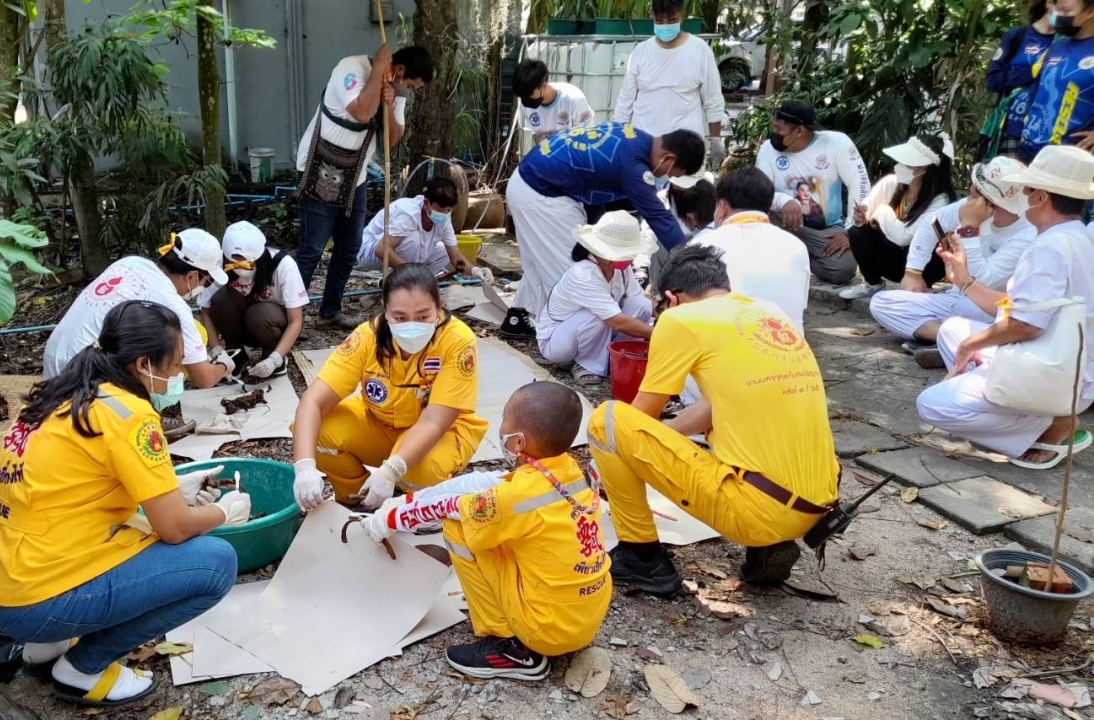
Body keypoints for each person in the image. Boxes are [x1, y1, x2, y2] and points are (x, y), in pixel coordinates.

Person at [0, 301, 250, 707]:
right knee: (216, 563)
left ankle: (45, 647)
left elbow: (72, 488)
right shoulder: (130, 415)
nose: (179, 376)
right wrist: (224, 512)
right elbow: (174, 529)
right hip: (32, 601)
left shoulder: (57, 394)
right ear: (144, 363)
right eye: (175, 366)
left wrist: (172, 489)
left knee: (131, 530)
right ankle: (84, 668)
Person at [588, 244, 840, 596]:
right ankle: (768, 541)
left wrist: (608, 460)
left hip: (759, 510)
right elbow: (715, 404)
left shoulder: (680, 319)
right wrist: (660, 439)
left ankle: (641, 556)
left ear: (672, 298)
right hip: (819, 505)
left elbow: (635, 417)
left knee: (606, 419)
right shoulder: (767, 313)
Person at [354, 381, 609, 680]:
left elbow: (451, 507)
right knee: (495, 528)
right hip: (585, 618)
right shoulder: (565, 471)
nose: (501, 427)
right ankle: (520, 631)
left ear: (518, 442)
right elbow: (480, 484)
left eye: (504, 419)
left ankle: (508, 647)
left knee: (460, 526)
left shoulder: (514, 497)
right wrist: (407, 500)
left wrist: (387, 520)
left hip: (547, 630)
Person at [917, 145, 1094, 470]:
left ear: (1040, 197)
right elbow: (1016, 308)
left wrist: (972, 345)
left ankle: (1049, 426)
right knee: (952, 330)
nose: (1021, 197)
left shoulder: (1049, 246)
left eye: (1027, 190)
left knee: (932, 405)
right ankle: (1009, 408)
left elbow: (1027, 324)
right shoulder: (1076, 236)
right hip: (1065, 365)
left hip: (1056, 375)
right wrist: (965, 281)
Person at [291, 264, 489, 511]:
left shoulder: (457, 340)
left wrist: (391, 470)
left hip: (442, 434)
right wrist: (304, 467)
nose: (411, 325)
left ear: (440, 307)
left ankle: (415, 507)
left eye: (423, 316)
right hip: (380, 424)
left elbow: (435, 421)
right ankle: (357, 499)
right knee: (317, 430)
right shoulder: (367, 337)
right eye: (400, 317)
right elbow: (313, 401)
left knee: (423, 470)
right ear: (385, 311)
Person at [499, 123, 705, 340]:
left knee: (541, 261)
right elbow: (659, 218)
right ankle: (569, 345)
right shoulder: (635, 168)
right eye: (671, 173)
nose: (665, 178)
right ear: (668, 159)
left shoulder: (633, 135)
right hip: (543, 193)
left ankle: (517, 317)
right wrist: (693, 263)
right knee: (572, 272)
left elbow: (594, 184)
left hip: (528, 182)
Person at [43, 230, 237, 436]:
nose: (203, 287)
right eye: (206, 281)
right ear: (192, 276)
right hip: (88, 388)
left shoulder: (131, 263)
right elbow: (204, 379)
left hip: (56, 369)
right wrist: (224, 365)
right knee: (180, 338)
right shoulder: (174, 305)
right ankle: (145, 409)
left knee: (192, 334)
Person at [295, 44, 434, 330]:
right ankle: (289, 316)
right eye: (410, 85)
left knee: (349, 247)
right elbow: (361, 112)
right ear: (399, 70)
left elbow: (391, 139)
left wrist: (389, 104)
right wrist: (378, 71)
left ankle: (329, 311)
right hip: (319, 167)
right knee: (312, 249)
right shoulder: (350, 68)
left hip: (355, 175)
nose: (409, 91)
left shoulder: (397, 92)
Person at [869, 157, 1036, 359]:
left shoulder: (1026, 236)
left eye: (976, 193)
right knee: (881, 302)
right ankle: (950, 339)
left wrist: (969, 229)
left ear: (992, 203)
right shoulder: (971, 206)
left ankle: (962, 343)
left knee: (969, 307)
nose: (970, 194)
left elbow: (981, 280)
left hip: (988, 306)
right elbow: (931, 223)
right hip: (956, 297)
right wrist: (913, 271)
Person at [757, 101, 871, 285]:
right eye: (773, 127)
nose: (774, 134)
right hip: (783, 223)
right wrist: (783, 200)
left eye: (779, 129)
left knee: (843, 269)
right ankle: (791, 256)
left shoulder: (836, 143)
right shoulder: (767, 149)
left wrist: (852, 231)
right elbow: (759, 191)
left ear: (799, 131)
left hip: (825, 231)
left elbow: (859, 184)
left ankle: (793, 258)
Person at [535, 211, 656, 384]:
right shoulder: (583, 275)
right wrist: (659, 335)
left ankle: (616, 355)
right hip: (557, 340)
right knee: (599, 316)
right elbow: (617, 321)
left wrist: (668, 314)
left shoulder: (620, 269)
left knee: (642, 304)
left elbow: (639, 298)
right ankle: (585, 364)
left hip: (592, 330)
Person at [838, 134, 959, 300]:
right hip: (892, 261)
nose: (899, 166)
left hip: (922, 268)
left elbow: (904, 237)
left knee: (922, 241)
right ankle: (872, 283)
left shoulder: (940, 200)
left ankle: (922, 288)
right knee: (857, 232)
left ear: (923, 169)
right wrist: (859, 219)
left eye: (907, 163)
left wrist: (881, 211)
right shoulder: (890, 183)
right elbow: (865, 214)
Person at [693, 167, 810, 335]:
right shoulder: (797, 247)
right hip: (790, 347)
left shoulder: (703, 245)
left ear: (721, 207)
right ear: (768, 209)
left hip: (730, 347)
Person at [613, 0, 727, 169]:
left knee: (685, 186)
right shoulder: (640, 52)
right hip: (644, 146)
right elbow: (625, 101)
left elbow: (713, 99)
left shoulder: (700, 51)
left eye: (672, 20)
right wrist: (618, 138)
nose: (665, 25)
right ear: (653, 18)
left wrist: (716, 139)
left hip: (685, 149)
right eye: (659, 21)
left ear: (682, 16)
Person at [200, 221, 308, 380]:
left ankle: (273, 356)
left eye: (246, 264)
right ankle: (235, 354)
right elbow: (206, 312)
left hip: (271, 324)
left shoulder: (283, 265)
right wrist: (216, 349)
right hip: (239, 325)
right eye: (233, 263)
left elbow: (296, 320)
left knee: (259, 314)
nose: (239, 268)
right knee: (220, 300)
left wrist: (275, 358)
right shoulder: (219, 264)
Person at [1019, 0, 1094, 162]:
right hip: (1029, 149)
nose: (1058, 16)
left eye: (1066, 11)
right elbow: (1036, 93)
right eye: (1057, 10)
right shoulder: (1055, 47)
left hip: (1070, 159)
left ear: (1090, 11)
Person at [982, 0, 1056, 159]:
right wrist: (1031, 72)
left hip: (1047, 135)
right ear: (1049, 3)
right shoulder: (1018, 35)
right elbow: (994, 81)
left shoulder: (1066, 44)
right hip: (1013, 129)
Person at [356, 178, 473, 277]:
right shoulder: (408, 213)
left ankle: (417, 281)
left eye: (448, 210)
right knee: (414, 239)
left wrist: (475, 271)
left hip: (397, 252)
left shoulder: (444, 219)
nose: (444, 214)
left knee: (443, 251)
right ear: (426, 203)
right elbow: (381, 250)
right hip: (370, 251)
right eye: (440, 210)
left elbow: (455, 257)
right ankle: (406, 279)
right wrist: (412, 273)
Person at [513, 59, 594, 145]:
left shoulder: (574, 99)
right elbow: (536, 135)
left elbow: (587, 136)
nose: (526, 99)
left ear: (544, 85)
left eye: (530, 95)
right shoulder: (527, 105)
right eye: (522, 96)